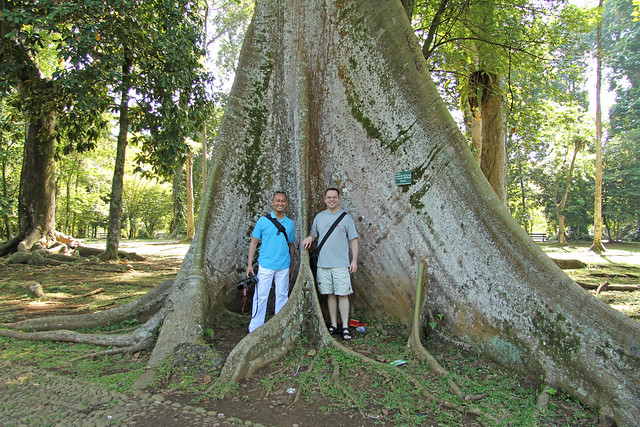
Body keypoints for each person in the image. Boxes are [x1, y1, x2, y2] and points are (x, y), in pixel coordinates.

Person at [302, 188, 358, 340]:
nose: (331, 200)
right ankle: (333, 325)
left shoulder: (346, 218)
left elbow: (354, 240)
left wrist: (354, 260)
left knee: (343, 295)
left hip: (341, 264)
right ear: (325, 200)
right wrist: (309, 238)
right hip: (323, 265)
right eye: (329, 197)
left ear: (339, 199)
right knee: (330, 295)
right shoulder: (319, 217)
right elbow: (314, 233)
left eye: (334, 197)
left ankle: (345, 327)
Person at [246, 191, 295, 333]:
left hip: (284, 266)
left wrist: (291, 265)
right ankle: (255, 327)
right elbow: (254, 243)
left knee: (282, 296)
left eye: (283, 201)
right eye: (277, 200)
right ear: (272, 202)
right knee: (261, 296)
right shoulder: (263, 221)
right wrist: (249, 265)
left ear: (286, 203)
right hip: (266, 265)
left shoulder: (290, 223)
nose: (280, 203)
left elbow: (291, 245)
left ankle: (279, 326)